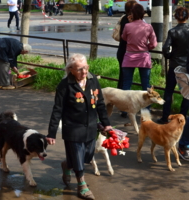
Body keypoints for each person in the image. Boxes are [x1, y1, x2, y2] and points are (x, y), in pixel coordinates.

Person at [46, 53, 112, 200]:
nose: (84, 72)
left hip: (91, 126)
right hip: (73, 127)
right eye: (80, 69)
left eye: (86, 68)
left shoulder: (92, 79)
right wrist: (51, 133)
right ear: (71, 70)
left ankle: (67, 165)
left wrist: (106, 124)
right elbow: (57, 110)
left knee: (87, 155)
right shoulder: (64, 86)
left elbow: (100, 103)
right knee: (77, 154)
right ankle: (82, 185)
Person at [157, 7, 189, 124]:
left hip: (175, 65)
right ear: (187, 17)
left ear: (175, 17)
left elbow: (165, 48)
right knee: (187, 93)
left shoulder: (173, 31)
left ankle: (165, 117)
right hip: (187, 66)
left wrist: (169, 56)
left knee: (169, 91)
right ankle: (182, 118)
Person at [121, 4, 157, 92]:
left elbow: (124, 38)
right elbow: (154, 44)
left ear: (132, 14)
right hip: (144, 57)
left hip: (129, 56)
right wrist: (145, 47)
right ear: (143, 14)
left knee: (126, 83)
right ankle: (147, 106)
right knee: (146, 84)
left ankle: (126, 105)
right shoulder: (148, 27)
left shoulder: (127, 26)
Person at [116, 0, 137, 90]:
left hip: (122, 50)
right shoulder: (129, 21)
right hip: (126, 52)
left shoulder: (124, 18)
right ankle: (121, 98)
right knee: (125, 78)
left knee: (123, 76)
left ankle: (119, 96)